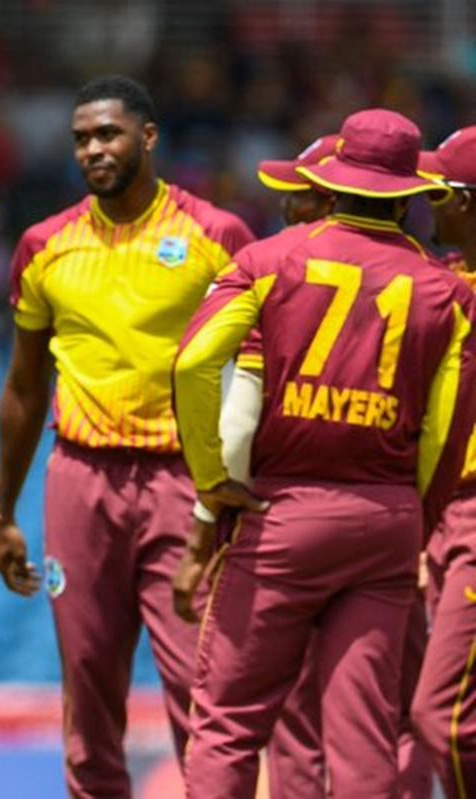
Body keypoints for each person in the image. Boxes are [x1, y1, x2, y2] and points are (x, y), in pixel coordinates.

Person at [173, 108, 476, 798]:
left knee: (227, 724)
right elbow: (444, 429)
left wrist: (213, 478)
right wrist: (416, 518)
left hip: (284, 512)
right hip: (387, 520)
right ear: (408, 194)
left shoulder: (266, 260)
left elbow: (193, 363)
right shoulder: (448, 292)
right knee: (364, 735)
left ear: (331, 182)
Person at [0, 75, 254, 797]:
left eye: (107, 134)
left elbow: (261, 370)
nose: (93, 150)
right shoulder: (46, 245)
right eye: (81, 139)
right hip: (81, 481)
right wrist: (8, 510)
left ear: (148, 136)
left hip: (184, 483)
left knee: (200, 687)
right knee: (87, 694)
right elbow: (21, 388)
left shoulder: (217, 236)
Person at [245, 134, 432, 799]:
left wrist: (219, 497)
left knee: (361, 709)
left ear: (330, 197)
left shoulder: (275, 276)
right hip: (388, 519)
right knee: (366, 712)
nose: (288, 209)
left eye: (298, 197)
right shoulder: (431, 285)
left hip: (300, 515)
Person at [411, 125, 476, 798]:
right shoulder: (437, 281)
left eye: (441, 189)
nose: (427, 198)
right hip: (436, 506)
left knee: (442, 716)